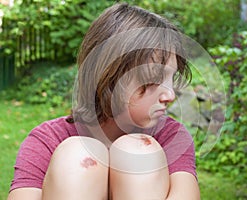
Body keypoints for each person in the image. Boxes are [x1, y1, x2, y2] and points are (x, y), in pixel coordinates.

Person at [7, 3, 200, 200]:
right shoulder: (47, 140)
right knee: (78, 154)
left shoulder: (171, 136)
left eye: (171, 79)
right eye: (154, 79)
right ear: (110, 76)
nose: (170, 95)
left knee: (138, 150)